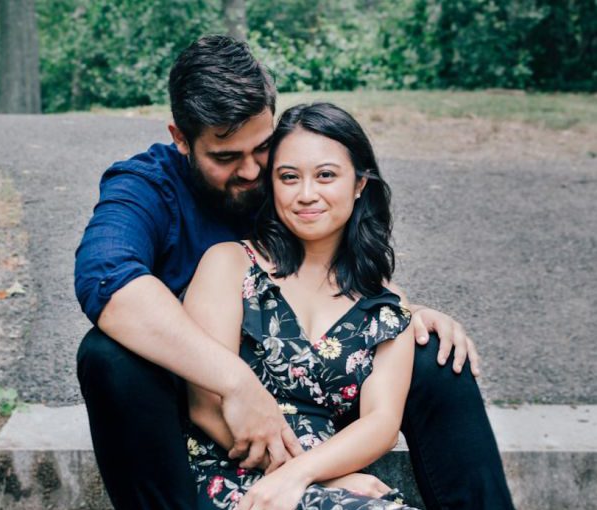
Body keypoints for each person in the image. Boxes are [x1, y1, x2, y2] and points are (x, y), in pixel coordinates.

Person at [75, 35, 513, 510]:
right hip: (201, 405)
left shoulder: (286, 177)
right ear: (181, 138)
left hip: (312, 393)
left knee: (436, 354)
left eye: (262, 149)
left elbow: (330, 263)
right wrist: (236, 382)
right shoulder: (148, 188)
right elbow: (108, 279)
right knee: (109, 356)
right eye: (225, 157)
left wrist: (404, 313)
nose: (250, 172)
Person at [184, 101, 418, 509]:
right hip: (234, 473)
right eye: (289, 177)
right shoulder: (229, 264)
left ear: (360, 183)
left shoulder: (384, 304)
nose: (306, 195)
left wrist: (309, 474)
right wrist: (313, 478)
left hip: (320, 477)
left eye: (326, 175)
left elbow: (381, 423)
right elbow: (205, 407)